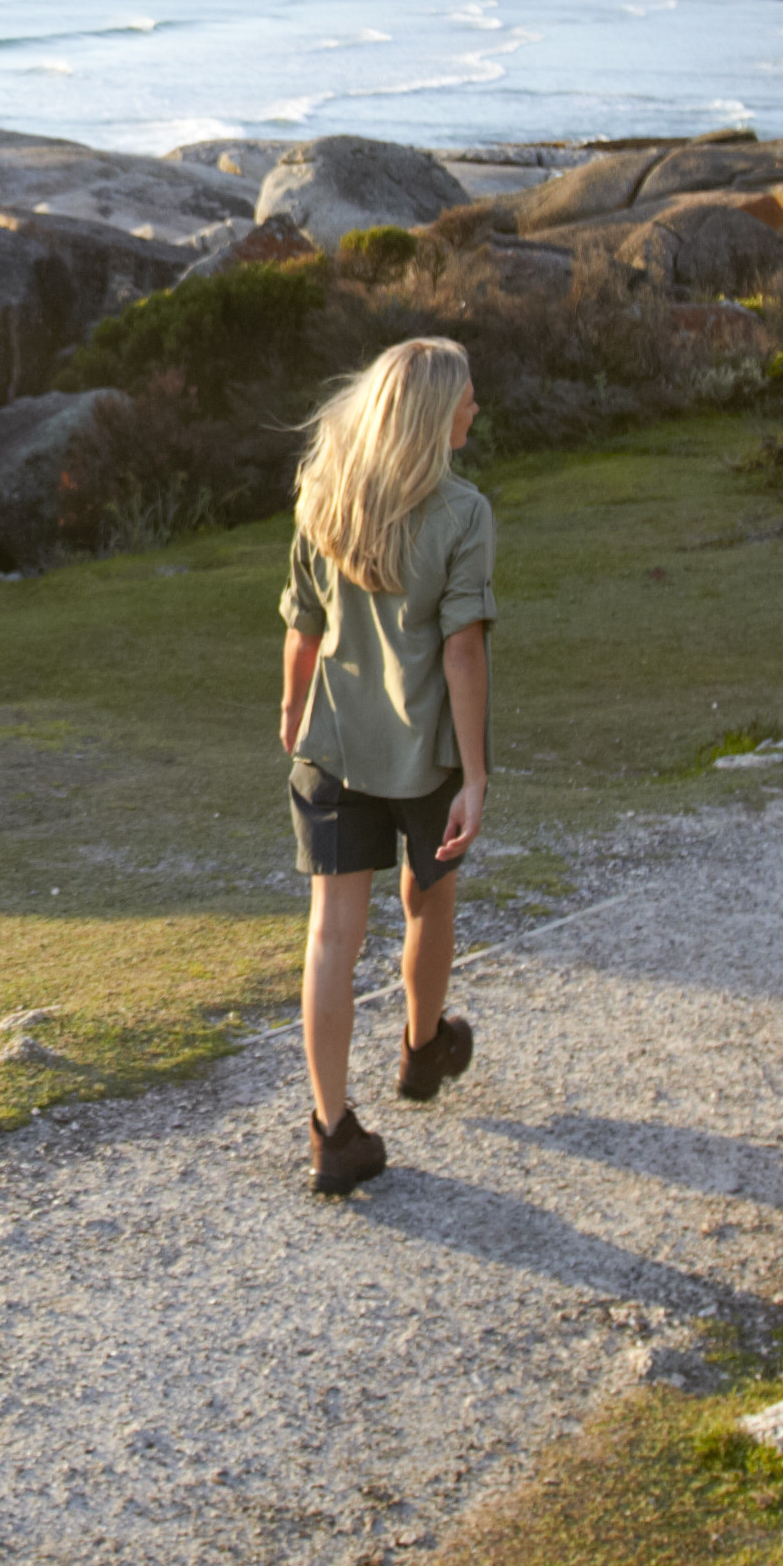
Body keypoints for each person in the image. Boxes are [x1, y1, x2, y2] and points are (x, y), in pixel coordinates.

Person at [275, 335, 494, 1197]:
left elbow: (302, 623)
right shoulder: (462, 513)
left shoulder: (321, 493)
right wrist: (474, 775)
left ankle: (332, 1130)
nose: (476, 407)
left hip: (333, 746)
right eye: (468, 395)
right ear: (434, 412)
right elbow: (463, 653)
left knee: (331, 933)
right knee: (428, 896)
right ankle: (421, 1044)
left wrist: (293, 706)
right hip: (426, 754)